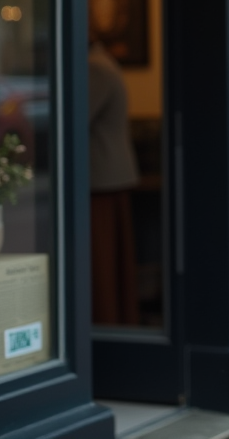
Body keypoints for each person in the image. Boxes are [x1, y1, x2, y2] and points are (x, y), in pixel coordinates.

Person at [88, 41, 141, 324]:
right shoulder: (103, 62)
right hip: (109, 176)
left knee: (104, 264)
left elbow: (75, 117)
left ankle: (108, 322)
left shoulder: (95, 67)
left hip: (103, 179)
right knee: (111, 262)